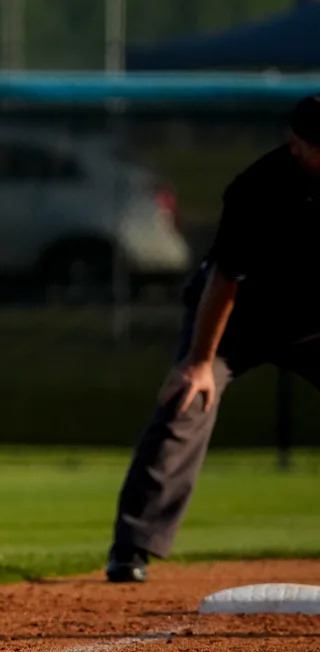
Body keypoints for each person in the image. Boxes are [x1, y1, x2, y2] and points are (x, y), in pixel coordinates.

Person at [106, 94, 320, 583]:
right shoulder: (258, 188)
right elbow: (225, 278)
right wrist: (200, 361)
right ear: (297, 145)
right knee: (187, 399)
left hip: (314, 323)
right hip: (238, 318)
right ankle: (132, 547)